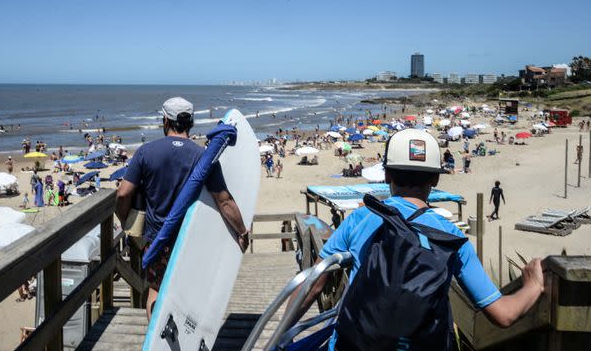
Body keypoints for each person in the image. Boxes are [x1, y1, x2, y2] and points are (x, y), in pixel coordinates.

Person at [285, 129, 544, 350]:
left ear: (386, 175)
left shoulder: (360, 218)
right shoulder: (451, 237)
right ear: (435, 178)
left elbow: (313, 283)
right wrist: (532, 286)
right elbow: (503, 315)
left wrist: (281, 333)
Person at [116, 97, 249, 321]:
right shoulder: (204, 157)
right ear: (191, 122)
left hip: (156, 237)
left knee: (156, 289)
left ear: (165, 121)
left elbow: (123, 193)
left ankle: (158, 339)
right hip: (191, 239)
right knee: (189, 290)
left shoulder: (146, 152)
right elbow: (224, 201)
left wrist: (125, 219)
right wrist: (242, 231)